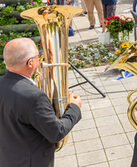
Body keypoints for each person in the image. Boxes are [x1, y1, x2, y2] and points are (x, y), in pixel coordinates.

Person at [0, 38, 82, 167]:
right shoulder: (34, 97)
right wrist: (74, 108)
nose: (40, 59)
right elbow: (57, 132)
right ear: (30, 63)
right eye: (38, 56)